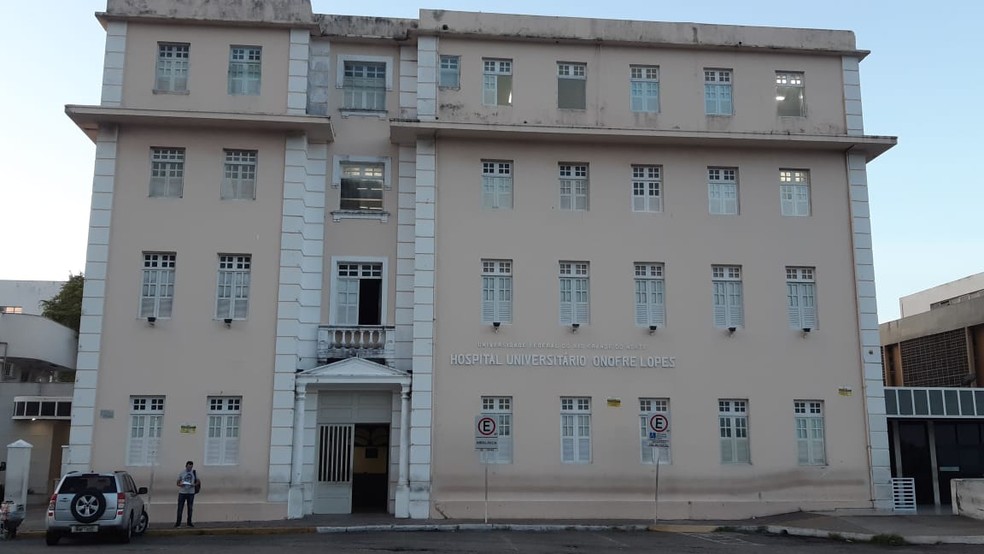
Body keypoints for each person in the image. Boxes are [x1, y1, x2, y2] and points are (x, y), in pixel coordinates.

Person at [175, 460, 199, 527]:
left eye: (191, 467)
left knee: (190, 508)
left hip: (191, 492)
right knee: (180, 508)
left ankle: (189, 522)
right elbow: (177, 482)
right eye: (188, 467)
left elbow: (198, 481)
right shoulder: (182, 473)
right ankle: (178, 523)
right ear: (186, 466)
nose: (189, 469)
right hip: (182, 492)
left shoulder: (194, 472)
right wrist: (180, 484)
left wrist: (194, 484)